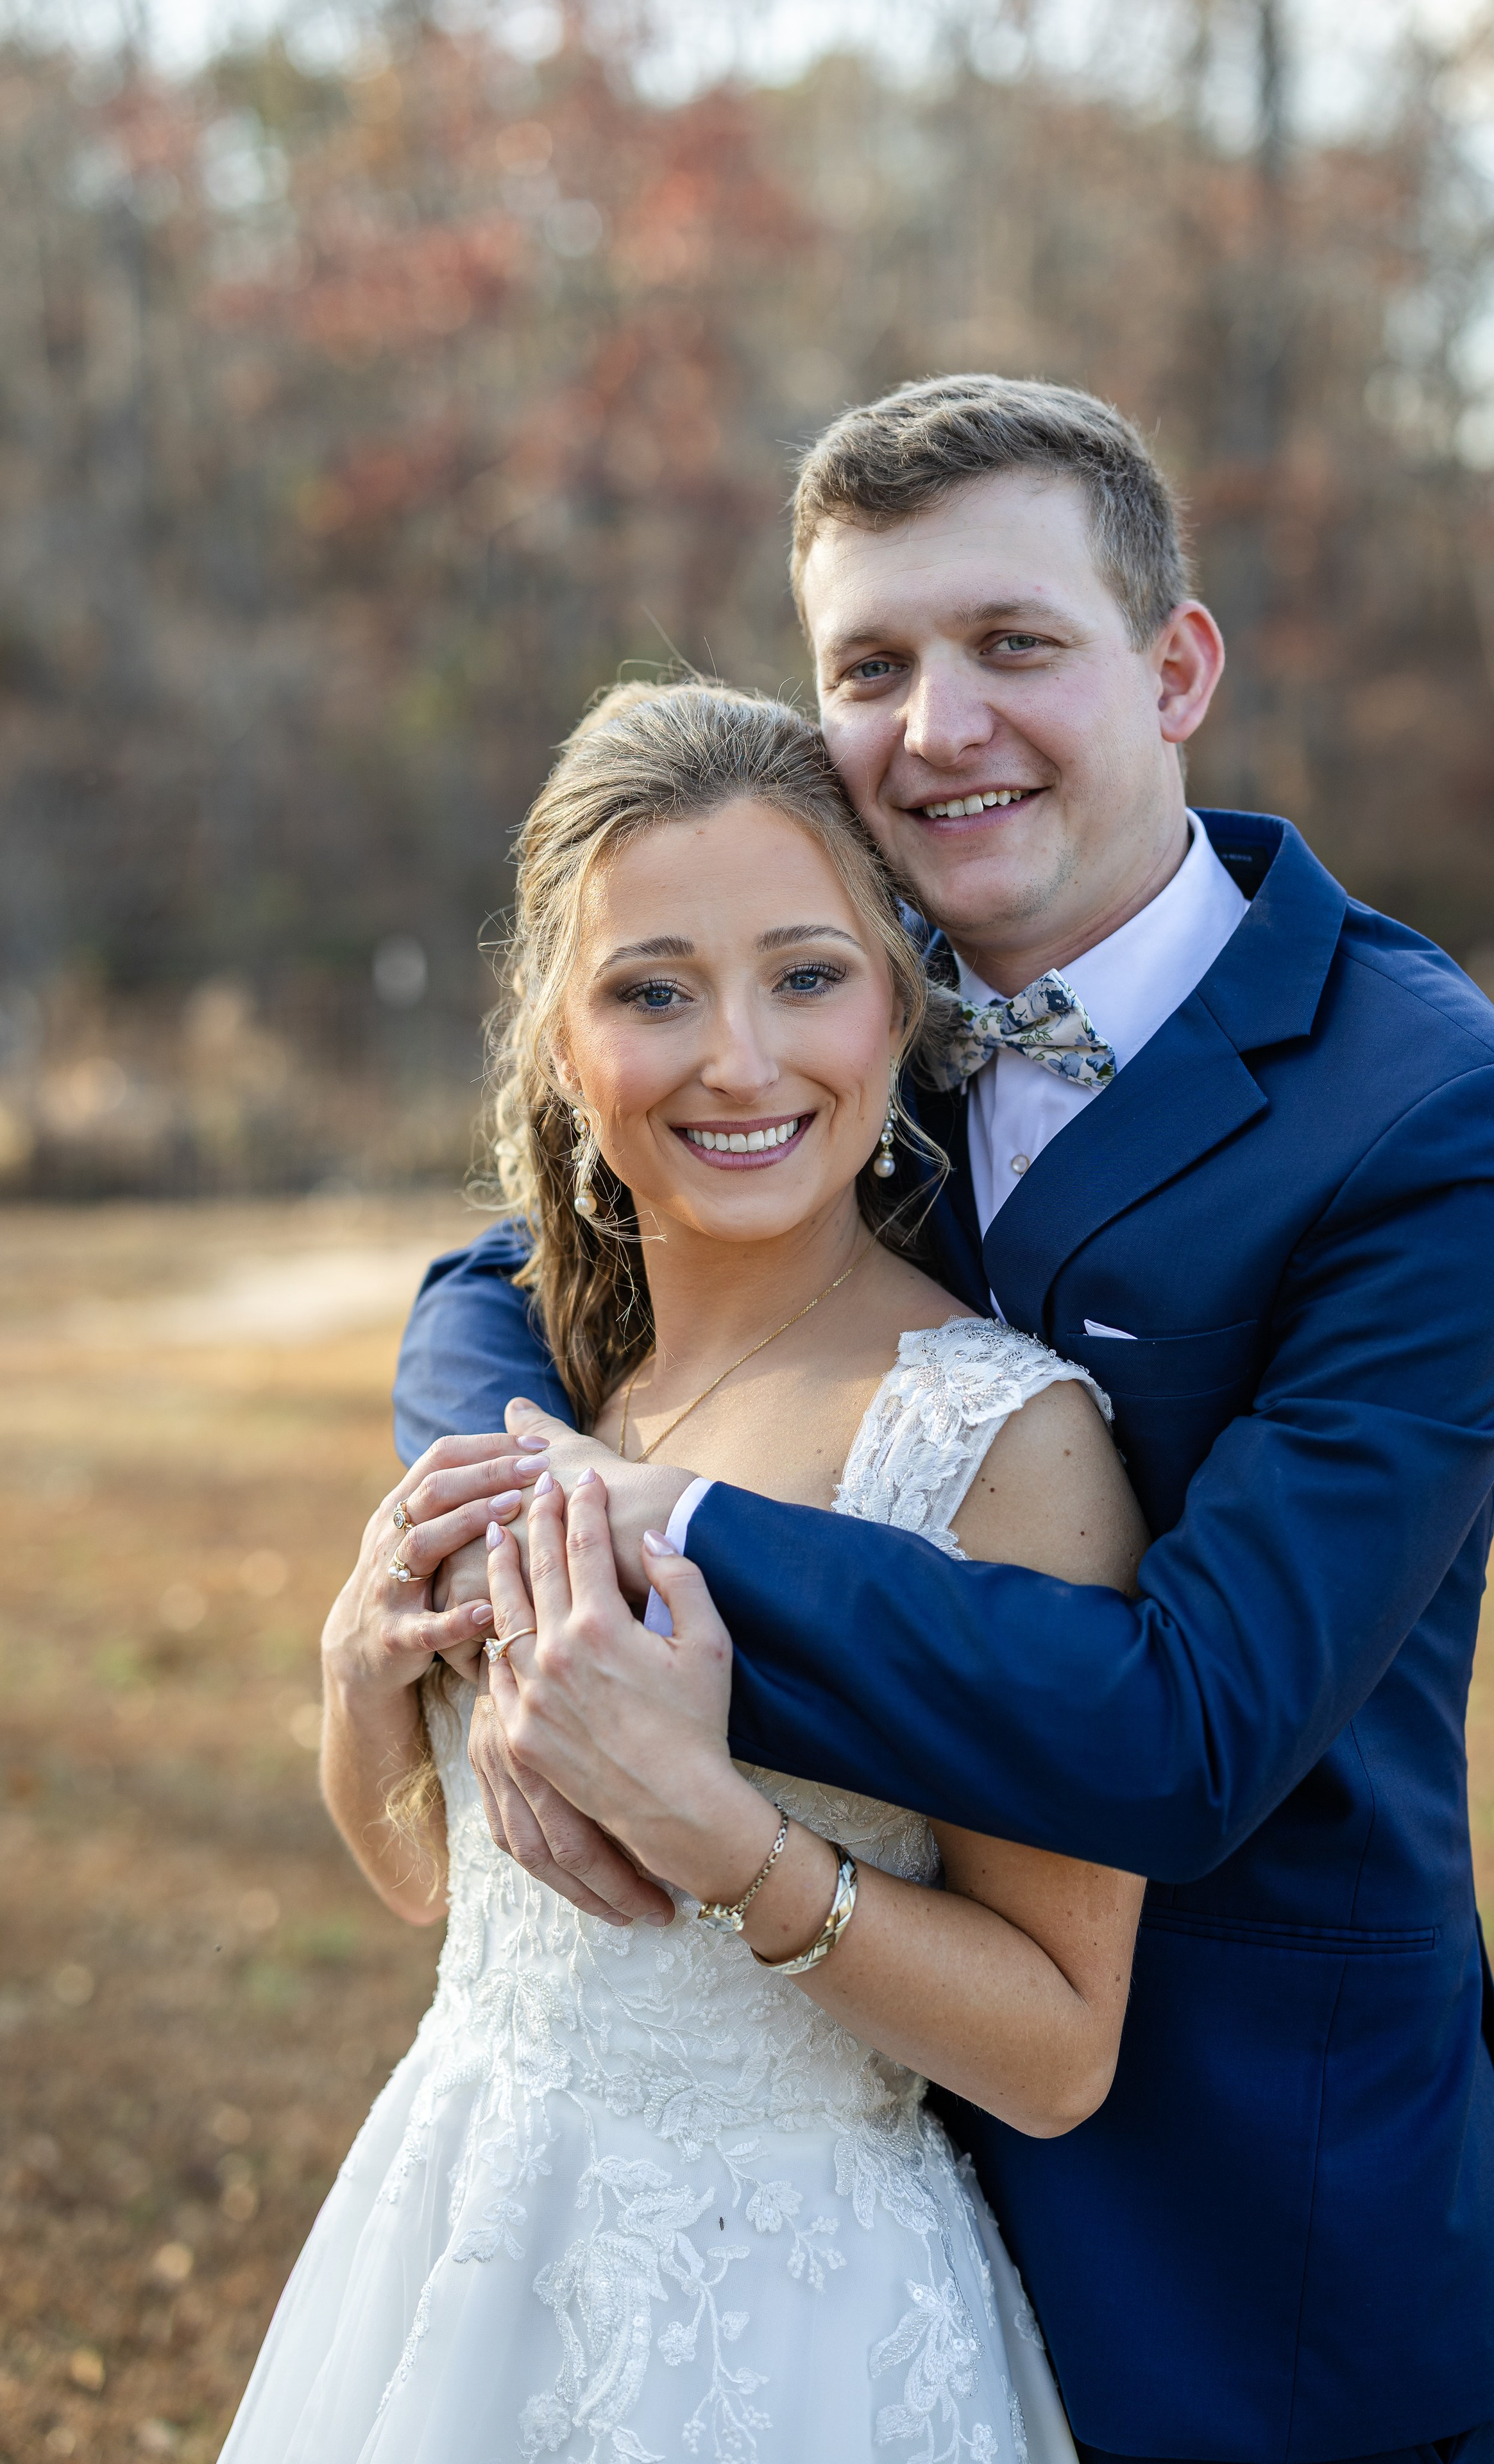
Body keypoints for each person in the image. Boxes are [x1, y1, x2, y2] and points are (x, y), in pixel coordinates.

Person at [385, 376, 1494, 2464]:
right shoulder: (839, 991)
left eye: (1013, 645)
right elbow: (500, 1280)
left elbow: (1194, 1727)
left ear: (1176, 665)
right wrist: (514, 1538)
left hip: (1240, 2243)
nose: (938, 727)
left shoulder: (1441, 1125)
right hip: (817, 2199)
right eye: (873, 663)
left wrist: (646, 1537)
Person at [220, 680, 1151, 2464]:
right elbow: (438, 1898)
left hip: (790, 2326)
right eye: (654, 991)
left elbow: (1057, 2053)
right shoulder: (560, 1384)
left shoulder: (1000, 1445)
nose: (738, 1059)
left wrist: (728, 1842)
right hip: (455, 2240)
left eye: (806, 975)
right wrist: (358, 1686)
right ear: (564, 1045)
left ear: (901, 1010)